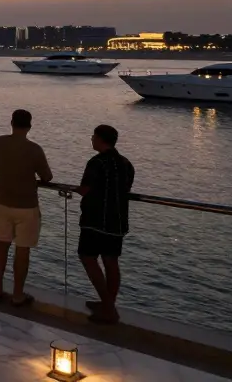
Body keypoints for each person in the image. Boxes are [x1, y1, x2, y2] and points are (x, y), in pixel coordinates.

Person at [0, 109, 53, 307]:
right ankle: (17, 295)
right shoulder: (34, 149)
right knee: (22, 250)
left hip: (2, 203)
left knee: (1, 244)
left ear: (11, 123)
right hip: (26, 206)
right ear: (30, 126)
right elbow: (47, 177)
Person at [76, 124, 135, 324]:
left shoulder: (96, 163)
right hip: (117, 221)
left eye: (93, 136)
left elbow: (85, 189)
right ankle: (108, 303)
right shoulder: (126, 163)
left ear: (101, 139)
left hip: (95, 220)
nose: (91, 139)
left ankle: (108, 307)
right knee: (111, 262)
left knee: (87, 257)